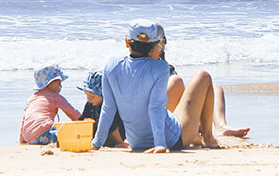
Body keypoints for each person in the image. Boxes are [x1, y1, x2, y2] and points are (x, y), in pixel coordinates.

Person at [92, 20, 221, 153]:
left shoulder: (111, 65)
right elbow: (155, 107)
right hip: (174, 139)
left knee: (173, 94)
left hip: (136, 143)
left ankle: (199, 135)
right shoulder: (160, 67)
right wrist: (160, 144)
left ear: (127, 42)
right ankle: (208, 138)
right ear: (155, 44)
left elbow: (108, 107)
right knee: (203, 76)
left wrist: (96, 143)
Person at [152, 24, 250, 138]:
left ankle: (221, 126)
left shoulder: (166, 68)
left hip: (174, 112)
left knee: (214, 87)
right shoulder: (150, 69)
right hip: (164, 118)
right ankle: (204, 132)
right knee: (178, 83)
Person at [19, 64, 80, 145]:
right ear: (51, 83)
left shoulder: (32, 98)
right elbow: (73, 113)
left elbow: (24, 120)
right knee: (72, 132)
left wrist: (22, 140)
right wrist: (86, 123)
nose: (61, 86)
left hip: (29, 138)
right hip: (44, 135)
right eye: (59, 83)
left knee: (59, 127)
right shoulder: (54, 97)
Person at [76, 71, 126, 147]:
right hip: (99, 133)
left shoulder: (110, 105)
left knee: (107, 121)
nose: (89, 99)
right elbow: (81, 119)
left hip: (116, 131)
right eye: (87, 96)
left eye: (92, 96)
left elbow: (116, 123)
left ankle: (120, 142)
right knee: (85, 125)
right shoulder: (90, 104)